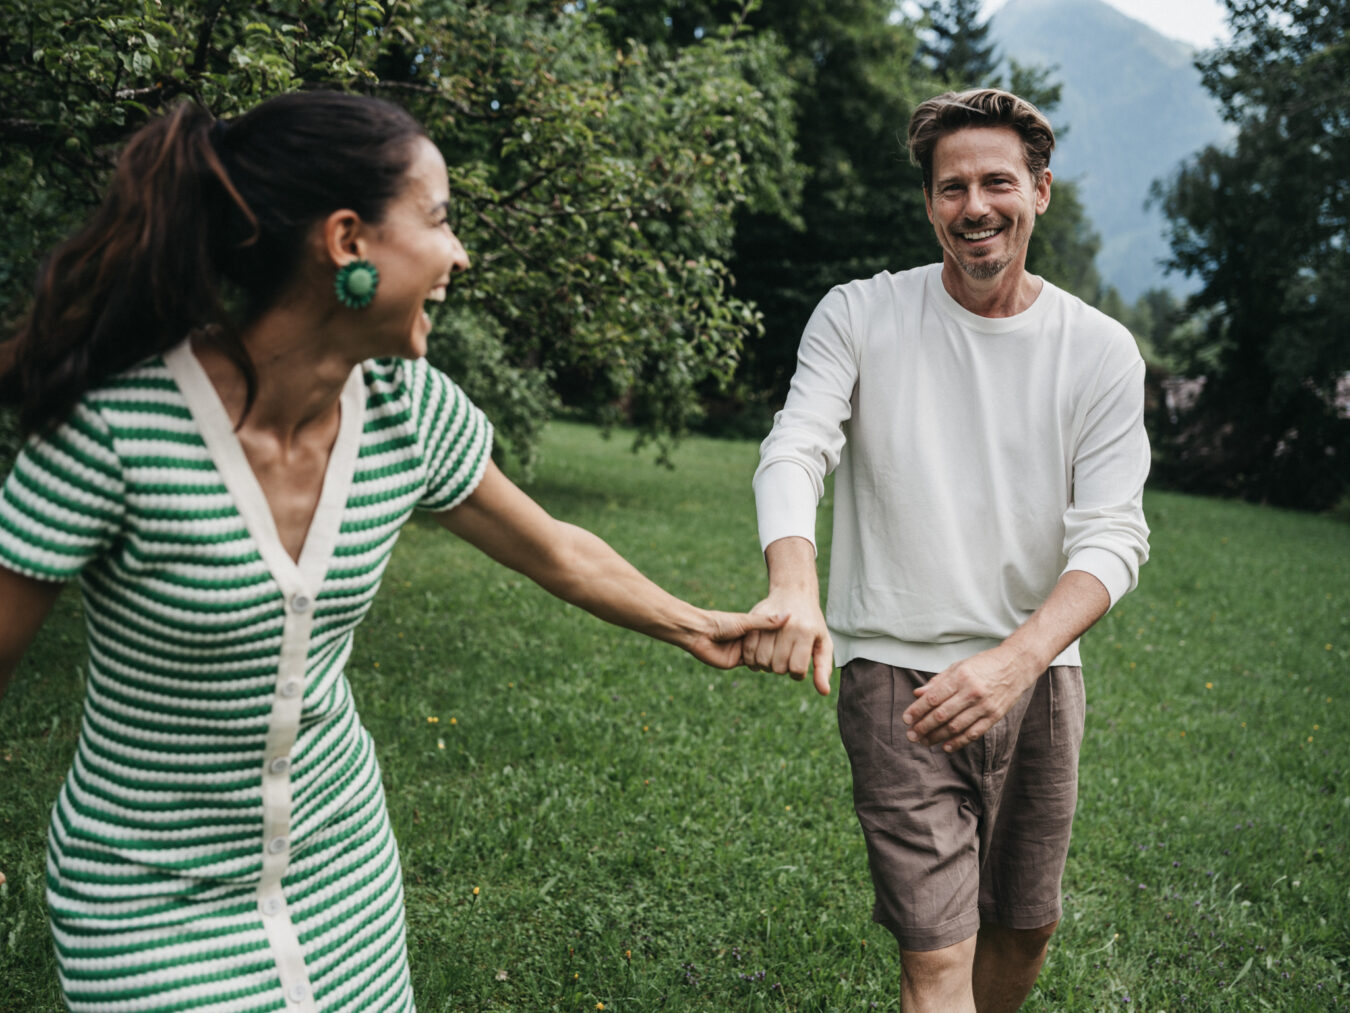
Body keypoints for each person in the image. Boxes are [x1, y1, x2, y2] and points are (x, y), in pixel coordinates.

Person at [0, 91, 783, 1013]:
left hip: (341, 875)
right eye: (440, 219)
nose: (459, 256)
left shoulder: (408, 409)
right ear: (347, 241)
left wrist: (701, 626)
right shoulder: (115, 432)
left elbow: (559, 550)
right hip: (145, 900)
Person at [741, 89, 1151, 1012]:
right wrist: (794, 581)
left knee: (1025, 925)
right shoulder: (858, 314)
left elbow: (1115, 532)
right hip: (899, 681)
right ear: (929, 204)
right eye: (951, 186)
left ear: (1040, 191)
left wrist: (1015, 664)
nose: (975, 206)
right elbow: (797, 446)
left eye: (997, 182)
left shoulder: (1099, 350)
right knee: (937, 954)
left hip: (1041, 676)